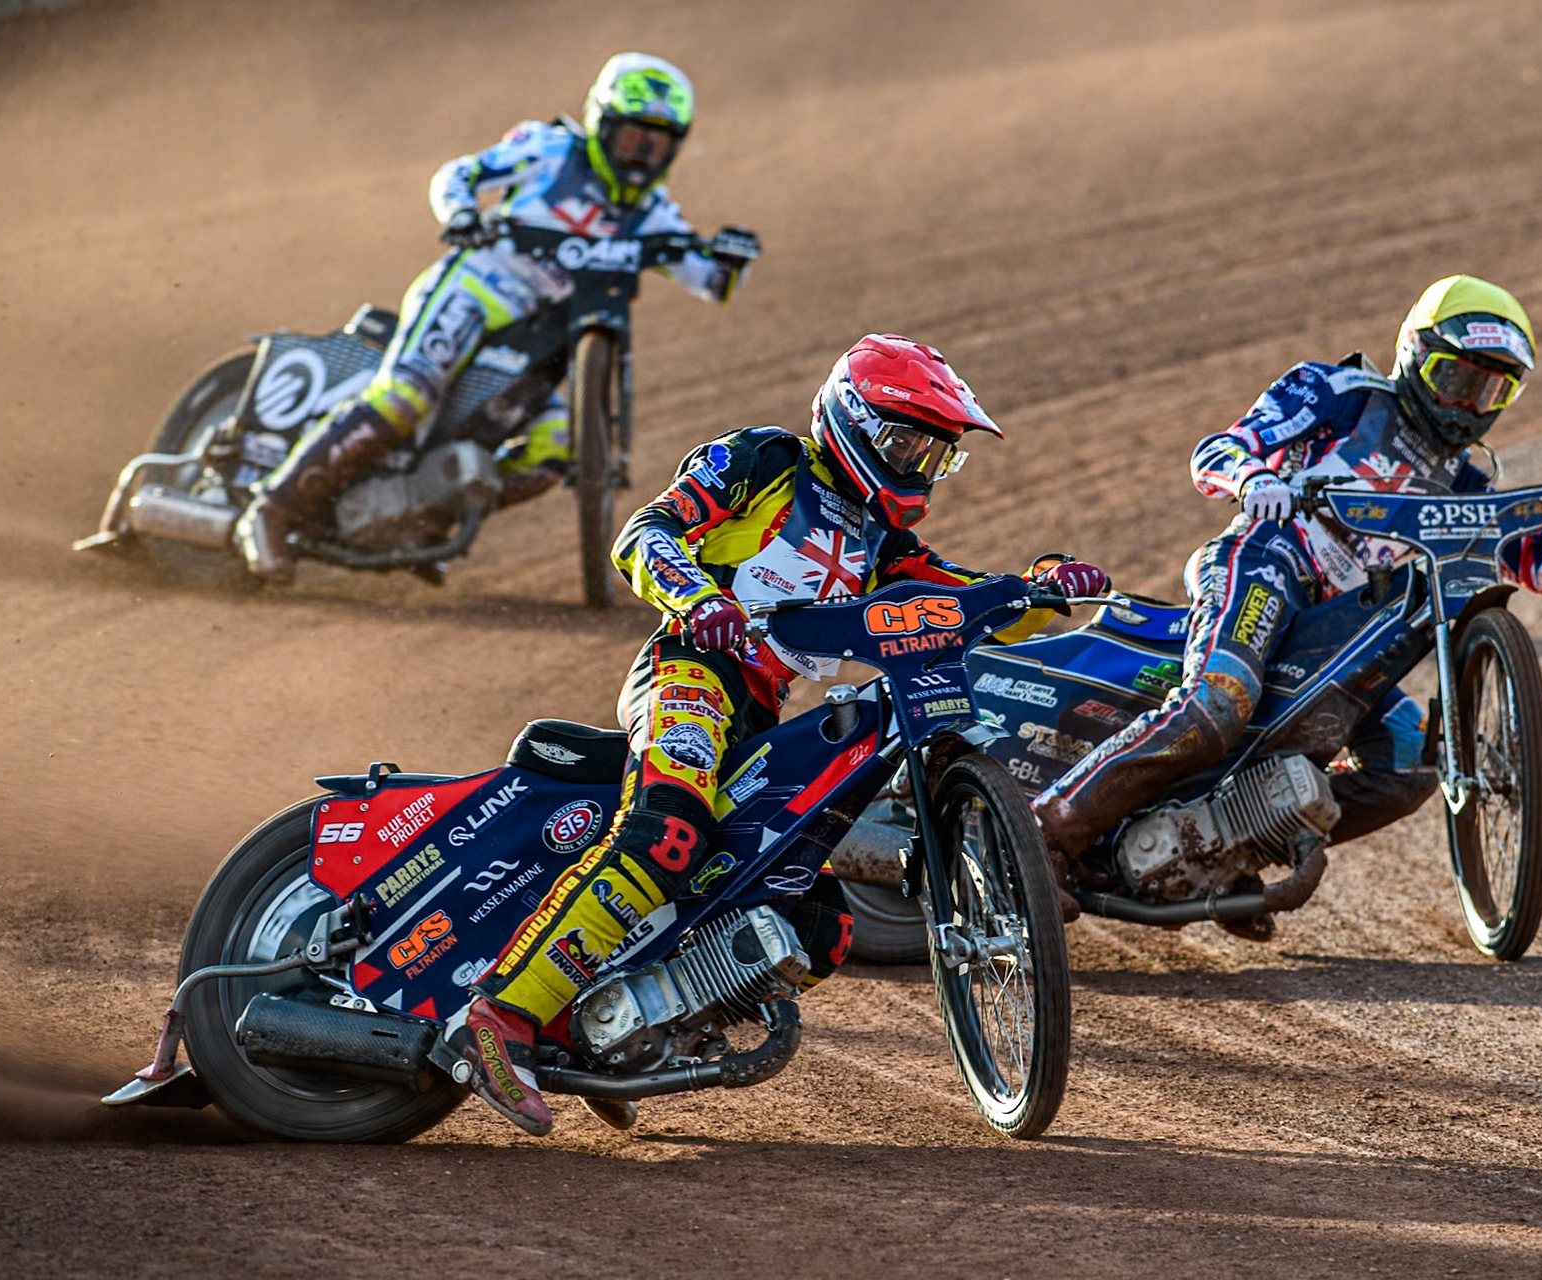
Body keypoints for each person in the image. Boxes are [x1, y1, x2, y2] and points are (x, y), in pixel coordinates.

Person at [447, 334, 1109, 1134]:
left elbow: (965, 595)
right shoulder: (765, 462)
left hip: (761, 713)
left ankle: (624, 1037)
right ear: (854, 422)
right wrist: (697, 599)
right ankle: (501, 1020)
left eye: (935, 455)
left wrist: (1042, 586)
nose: (919, 466)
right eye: (906, 442)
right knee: (667, 832)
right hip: (689, 669)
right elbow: (643, 536)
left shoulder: (879, 541)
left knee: (818, 925)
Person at [1033, 275, 1542, 937]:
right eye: (1456, 379)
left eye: (1492, 389)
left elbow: (1535, 568)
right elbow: (1217, 449)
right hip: (1267, 562)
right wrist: (1256, 477)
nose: (1470, 404)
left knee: (1410, 763)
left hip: (1345, 624)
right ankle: (1048, 833)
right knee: (1218, 702)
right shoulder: (1339, 393)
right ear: (1414, 354)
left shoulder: (1471, 478)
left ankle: (1232, 851)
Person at [234, 52, 755, 583]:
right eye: (633, 137)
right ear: (602, 124)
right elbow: (457, 174)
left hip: (536, 341)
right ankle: (269, 511)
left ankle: (427, 517)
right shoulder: (548, 149)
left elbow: (711, 283)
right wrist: (461, 213)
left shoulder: (653, 213)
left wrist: (733, 255)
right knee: (404, 397)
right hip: (475, 288)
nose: (643, 154)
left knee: (557, 448)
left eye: (659, 142)